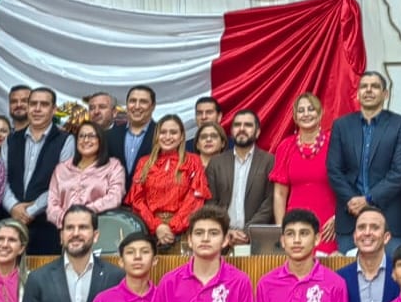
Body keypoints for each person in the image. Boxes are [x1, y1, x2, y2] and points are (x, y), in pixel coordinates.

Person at [148, 206, 256, 302]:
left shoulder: (240, 281)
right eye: (199, 233)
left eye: (213, 233)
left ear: (225, 240)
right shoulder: (169, 281)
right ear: (190, 240)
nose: (205, 238)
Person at [19, 206, 125, 302]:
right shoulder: (38, 278)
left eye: (83, 227)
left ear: (95, 235)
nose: (75, 233)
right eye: (69, 228)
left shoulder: (115, 277)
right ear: (61, 236)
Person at [327, 71, 401, 252]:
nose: (368, 90)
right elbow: (334, 169)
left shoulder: (400, 125)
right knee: (350, 276)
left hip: (390, 218)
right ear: (357, 94)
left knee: (392, 276)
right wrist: (352, 199)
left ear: (385, 94)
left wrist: (368, 199)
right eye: (364, 86)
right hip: (350, 218)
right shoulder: (341, 126)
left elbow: (399, 173)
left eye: (375, 86)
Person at [2, 86, 75, 255]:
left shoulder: (65, 140)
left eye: (43, 104)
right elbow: (1, 179)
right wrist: (13, 207)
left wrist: (30, 211)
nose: (37, 109)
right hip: (12, 225)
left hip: (47, 227)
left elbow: (62, 184)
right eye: (33, 103)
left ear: (54, 109)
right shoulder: (11, 140)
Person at [127, 114, 211, 252]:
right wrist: (157, 226)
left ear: (182, 136)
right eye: (163, 132)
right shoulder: (144, 162)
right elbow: (137, 200)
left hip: (183, 231)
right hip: (148, 231)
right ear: (157, 136)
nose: (167, 137)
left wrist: (171, 227)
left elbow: (195, 199)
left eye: (173, 132)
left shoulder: (193, 161)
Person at [271, 92, 339, 254]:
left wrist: (339, 219)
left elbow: (347, 185)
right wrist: (282, 229)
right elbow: (279, 194)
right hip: (295, 225)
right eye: (301, 110)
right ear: (295, 117)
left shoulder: (334, 143)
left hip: (328, 226)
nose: (306, 114)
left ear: (320, 113)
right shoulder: (285, 147)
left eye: (311, 109)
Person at [203, 108, 275, 249]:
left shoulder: (269, 161)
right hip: (221, 239)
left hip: (256, 240)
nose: (242, 129)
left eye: (248, 125)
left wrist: (247, 232)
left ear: (257, 132)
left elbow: (270, 202)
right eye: (237, 125)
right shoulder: (216, 162)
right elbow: (210, 201)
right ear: (231, 131)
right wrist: (225, 230)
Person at [336, 207, 399, 302]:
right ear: (354, 236)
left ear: (386, 237)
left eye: (375, 227)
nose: (367, 233)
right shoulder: (340, 279)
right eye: (361, 227)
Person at [46, 120, 126, 227]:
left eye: (91, 136)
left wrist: (83, 213)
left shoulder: (113, 166)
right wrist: (66, 218)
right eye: (81, 136)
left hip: (100, 229)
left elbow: (114, 198)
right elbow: (52, 205)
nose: (86, 140)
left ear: (100, 140)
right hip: (65, 231)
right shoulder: (61, 169)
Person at [105, 85, 156, 180]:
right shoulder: (110, 136)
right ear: (127, 105)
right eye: (133, 101)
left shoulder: (162, 135)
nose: (137, 106)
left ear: (153, 106)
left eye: (143, 102)